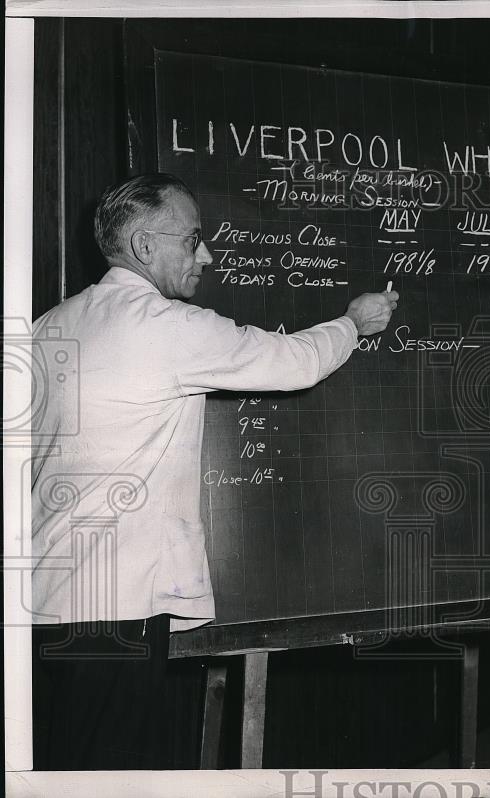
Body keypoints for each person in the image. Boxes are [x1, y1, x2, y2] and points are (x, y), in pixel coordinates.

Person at [30, 172, 399, 769]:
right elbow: (293, 362)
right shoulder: (164, 327)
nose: (206, 254)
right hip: (116, 607)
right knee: (109, 776)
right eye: (193, 238)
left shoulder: (48, 327)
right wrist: (354, 323)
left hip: (41, 600)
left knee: (60, 767)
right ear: (145, 247)